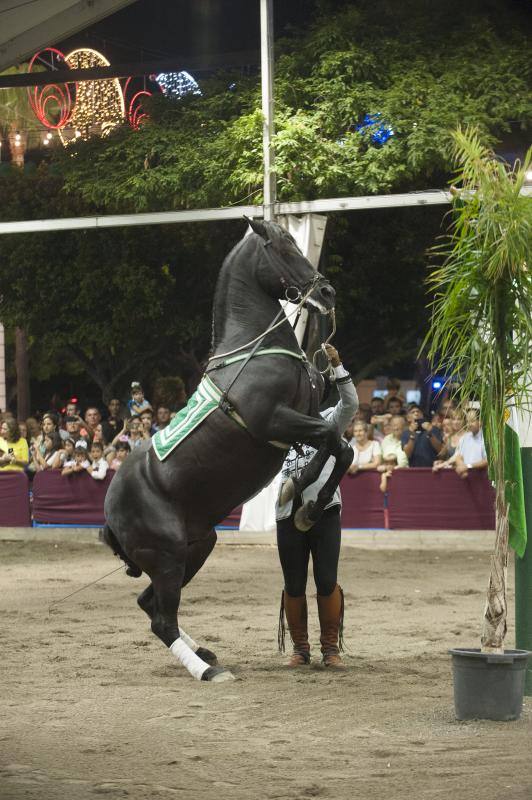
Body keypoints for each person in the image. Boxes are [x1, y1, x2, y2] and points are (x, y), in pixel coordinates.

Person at [276, 344, 358, 670]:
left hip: (325, 512)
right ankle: (300, 649)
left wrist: (337, 364)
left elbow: (351, 402)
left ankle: (330, 649)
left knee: (326, 579)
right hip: (287, 514)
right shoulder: (279, 427)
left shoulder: (329, 420)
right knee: (293, 583)